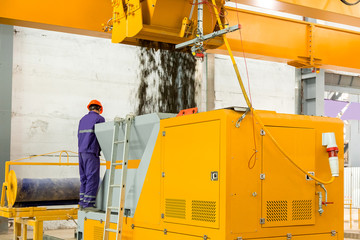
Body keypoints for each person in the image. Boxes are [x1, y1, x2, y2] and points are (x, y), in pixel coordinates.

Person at [78, 99, 105, 211]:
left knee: (84, 178)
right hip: (91, 151)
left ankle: (82, 203)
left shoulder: (82, 120)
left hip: (81, 152)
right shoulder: (99, 119)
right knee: (92, 178)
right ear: (99, 109)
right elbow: (103, 136)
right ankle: (89, 204)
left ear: (89, 108)